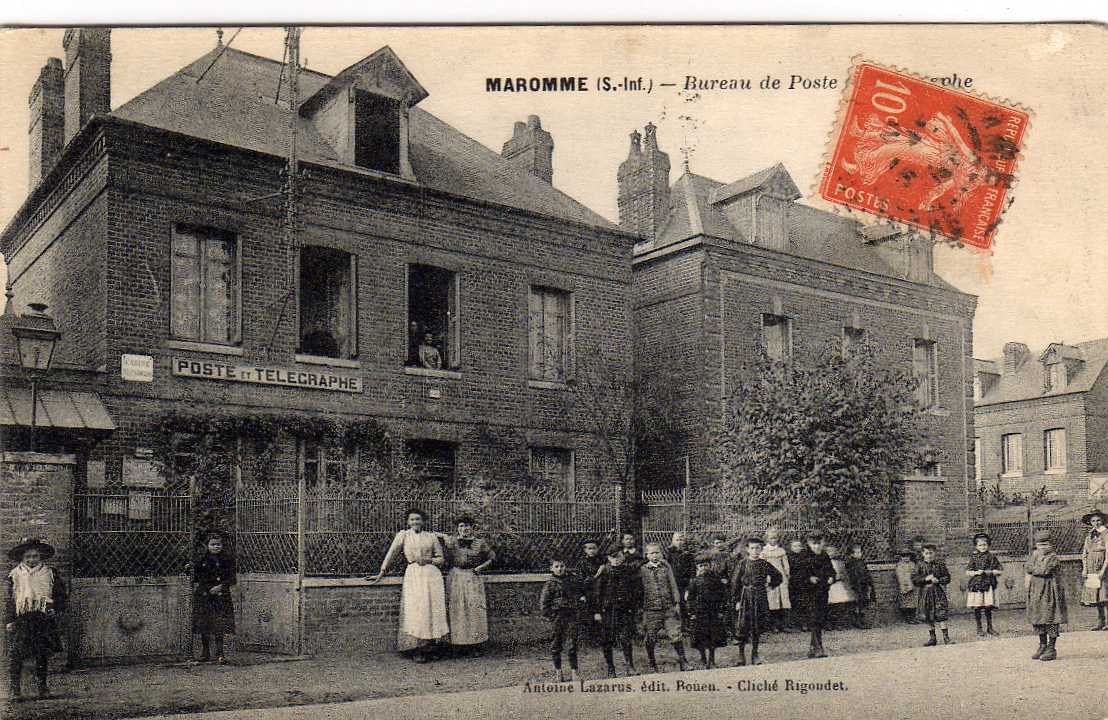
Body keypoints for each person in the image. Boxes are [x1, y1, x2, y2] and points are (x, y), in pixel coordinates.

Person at [368, 508, 449, 662]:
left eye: (418, 519)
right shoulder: (403, 535)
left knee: (431, 609)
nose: (415, 522)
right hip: (414, 575)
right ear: (408, 522)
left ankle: (430, 647)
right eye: (412, 519)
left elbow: (441, 559)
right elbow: (391, 553)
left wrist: (429, 560)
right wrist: (382, 572)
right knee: (416, 609)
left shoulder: (431, 537)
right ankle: (417, 649)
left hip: (432, 575)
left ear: (423, 521)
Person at [4, 537, 66, 701]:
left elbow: (60, 596)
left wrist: (54, 609)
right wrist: (9, 620)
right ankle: (15, 691)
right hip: (22, 619)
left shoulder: (50, 573)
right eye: (28, 557)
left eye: (35, 556)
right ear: (22, 558)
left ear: (41, 557)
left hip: (42, 618)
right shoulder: (15, 575)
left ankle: (42, 688)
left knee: (41, 654)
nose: (32, 560)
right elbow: (10, 599)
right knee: (16, 655)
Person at [442, 515, 495, 653]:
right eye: (461, 526)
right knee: (457, 609)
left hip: (472, 577)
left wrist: (480, 568)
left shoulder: (479, 542)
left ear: (472, 528)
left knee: (474, 609)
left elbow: (492, 557)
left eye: (467, 526)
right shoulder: (452, 542)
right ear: (457, 529)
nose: (464, 529)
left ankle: (474, 644)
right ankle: (456, 644)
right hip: (456, 577)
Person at [730, 537, 784, 666]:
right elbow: (735, 583)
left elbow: (778, 576)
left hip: (760, 597)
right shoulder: (743, 563)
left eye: (758, 548)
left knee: (756, 627)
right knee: (743, 626)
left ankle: (755, 654)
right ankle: (741, 655)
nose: (755, 551)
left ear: (761, 549)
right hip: (745, 597)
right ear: (747, 549)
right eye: (752, 548)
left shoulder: (764, 563)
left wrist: (770, 586)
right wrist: (737, 600)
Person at [591, 544, 643, 677]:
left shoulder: (627, 570)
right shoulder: (604, 572)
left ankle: (630, 666)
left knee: (626, 637)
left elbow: (635, 589)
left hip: (624, 610)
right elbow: (597, 593)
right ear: (608, 558)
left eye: (619, 556)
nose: (617, 559)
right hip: (607, 611)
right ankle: (610, 668)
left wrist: (634, 607)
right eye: (613, 557)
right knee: (607, 639)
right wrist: (597, 612)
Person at [639, 543, 690, 673]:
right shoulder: (643, 570)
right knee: (650, 637)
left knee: (675, 634)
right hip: (651, 610)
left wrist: (677, 603)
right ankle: (652, 663)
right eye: (651, 553)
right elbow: (639, 590)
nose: (654, 556)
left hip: (668, 608)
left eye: (657, 553)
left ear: (661, 554)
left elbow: (673, 585)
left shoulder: (666, 568)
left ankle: (683, 661)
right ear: (647, 555)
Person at [540, 557, 588, 682]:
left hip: (571, 615)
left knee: (572, 643)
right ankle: (558, 672)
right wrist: (551, 616)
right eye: (556, 566)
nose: (560, 569)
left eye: (562, 566)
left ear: (565, 566)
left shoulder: (572, 580)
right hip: (557, 616)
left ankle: (574, 672)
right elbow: (544, 603)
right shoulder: (550, 583)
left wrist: (580, 601)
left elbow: (580, 593)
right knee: (556, 644)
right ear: (551, 569)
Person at [192, 531, 236, 664]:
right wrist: (206, 589)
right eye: (213, 544)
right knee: (204, 624)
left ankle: (220, 653)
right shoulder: (201, 560)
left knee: (219, 625)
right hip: (205, 597)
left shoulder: (227, 560)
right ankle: (205, 653)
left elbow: (232, 578)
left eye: (218, 544)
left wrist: (221, 587)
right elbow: (197, 577)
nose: (216, 547)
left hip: (221, 597)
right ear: (207, 545)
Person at [791, 532, 836, 658]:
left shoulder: (824, 555)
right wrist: (808, 578)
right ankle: (818, 647)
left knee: (820, 618)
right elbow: (797, 574)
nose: (817, 547)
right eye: (814, 544)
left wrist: (832, 577)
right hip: (809, 592)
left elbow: (831, 570)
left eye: (819, 544)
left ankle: (813, 647)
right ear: (809, 544)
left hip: (822, 591)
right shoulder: (803, 556)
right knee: (814, 618)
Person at [1026, 529, 1068, 661]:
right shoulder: (1034, 555)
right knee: (1039, 617)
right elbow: (1027, 567)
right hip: (1037, 591)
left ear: (1051, 545)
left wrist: (1034, 568)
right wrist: (1033, 568)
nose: (1042, 547)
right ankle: (1042, 645)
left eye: (1046, 544)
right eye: (1040, 545)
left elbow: (1044, 570)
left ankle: (1051, 647)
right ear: (1036, 546)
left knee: (1050, 617)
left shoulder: (1053, 557)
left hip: (1050, 591)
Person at [685, 552, 728, 669]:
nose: (704, 568)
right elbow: (690, 598)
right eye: (701, 566)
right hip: (699, 614)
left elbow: (723, 596)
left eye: (706, 565)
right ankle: (703, 657)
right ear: (697, 567)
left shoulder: (716, 580)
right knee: (700, 637)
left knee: (713, 637)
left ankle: (712, 659)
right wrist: (691, 612)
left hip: (713, 613)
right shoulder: (694, 582)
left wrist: (721, 611)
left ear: (710, 565)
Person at [913, 544, 954, 646]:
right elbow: (915, 580)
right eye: (926, 553)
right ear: (923, 554)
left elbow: (947, 578)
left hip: (937, 592)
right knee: (927, 614)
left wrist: (939, 580)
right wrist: (925, 579)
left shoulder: (940, 564)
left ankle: (946, 637)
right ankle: (932, 638)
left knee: (941, 613)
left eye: (931, 553)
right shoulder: (919, 565)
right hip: (925, 593)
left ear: (934, 553)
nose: (929, 555)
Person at [965, 532, 1003, 637]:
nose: (983, 547)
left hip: (988, 584)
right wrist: (976, 572)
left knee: (988, 607)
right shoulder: (974, 557)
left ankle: (990, 627)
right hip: (977, 585)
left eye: (985, 545)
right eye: (980, 545)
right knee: (977, 607)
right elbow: (967, 571)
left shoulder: (992, 557)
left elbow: (1000, 571)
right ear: (976, 546)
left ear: (988, 545)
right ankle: (979, 628)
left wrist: (988, 572)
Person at [1079, 509, 1108, 630]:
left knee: (1104, 595)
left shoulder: (1106, 534)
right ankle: (1100, 621)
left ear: (1102, 521)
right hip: (1091, 568)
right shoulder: (1089, 535)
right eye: (1093, 521)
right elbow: (1085, 553)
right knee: (1095, 596)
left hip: (1103, 567)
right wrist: (1085, 569)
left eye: (1098, 520)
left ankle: (1107, 622)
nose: (1096, 523)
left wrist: (1103, 570)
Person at [761, 528, 791, 632]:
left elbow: (785, 564)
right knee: (772, 600)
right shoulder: (764, 551)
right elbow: (762, 565)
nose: (773, 540)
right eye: (771, 538)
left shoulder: (781, 551)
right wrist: (765, 577)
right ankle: (773, 625)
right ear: (767, 539)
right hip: (770, 576)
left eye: (775, 538)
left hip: (781, 575)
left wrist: (787, 574)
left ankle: (784, 624)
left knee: (783, 599)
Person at [825, 543, 856, 630]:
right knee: (830, 605)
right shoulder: (822, 563)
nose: (830, 553)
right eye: (828, 552)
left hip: (839, 585)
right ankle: (830, 624)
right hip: (829, 586)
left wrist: (843, 578)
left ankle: (840, 623)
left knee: (840, 604)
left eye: (832, 551)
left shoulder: (840, 563)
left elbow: (844, 574)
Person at [845, 544, 876, 629]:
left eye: (860, 552)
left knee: (863, 603)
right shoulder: (850, 564)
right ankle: (857, 622)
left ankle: (862, 621)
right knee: (857, 604)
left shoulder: (862, 562)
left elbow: (866, 573)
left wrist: (869, 582)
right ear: (851, 554)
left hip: (863, 586)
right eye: (857, 552)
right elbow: (852, 576)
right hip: (856, 586)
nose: (859, 554)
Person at [665, 532, 696, 612]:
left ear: (684, 541)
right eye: (677, 540)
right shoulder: (670, 553)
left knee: (684, 601)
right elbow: (667, 566)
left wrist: (691, 580)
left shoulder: (689, 554)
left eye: (681, 540)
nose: (679, 542)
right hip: (674, 581)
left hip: (685, 582)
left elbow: (692, 568)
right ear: (673, 541)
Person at [785, 538, 806, 631]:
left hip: (804, 582)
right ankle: (795, 623)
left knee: (804, 602)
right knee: (794, 602)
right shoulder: (788, 557)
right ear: (790, 547)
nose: (797, 548)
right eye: (795, 546)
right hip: (793, 582)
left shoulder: (805, 556)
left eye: (799, 546)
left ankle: (804, 623)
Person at [895, 548, 919, 623]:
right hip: (904, 585)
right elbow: (900, 576)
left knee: (913, 602)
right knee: (906, 602)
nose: (906, 558)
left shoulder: (912, 564)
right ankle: (907, 618)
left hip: (913, 585)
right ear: (901, 557)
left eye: (907, 556)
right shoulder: (900, 565)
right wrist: (905, 585)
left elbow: (916, 573)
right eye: (904, 556)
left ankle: (913, 617)